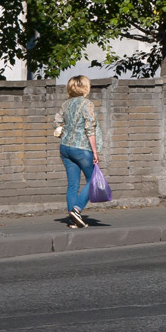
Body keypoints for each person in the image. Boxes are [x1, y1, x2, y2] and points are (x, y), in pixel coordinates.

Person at [55, 75, 100, 228]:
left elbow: (57, 122)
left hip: (65, 148)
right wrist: (95, 151)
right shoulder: (87, 104)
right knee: (93, 180)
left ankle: (72, 220)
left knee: (73, 184)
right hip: (81, 148)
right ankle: (77, 209)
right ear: (85, 87)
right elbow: (90, 128)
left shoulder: (66, 104)